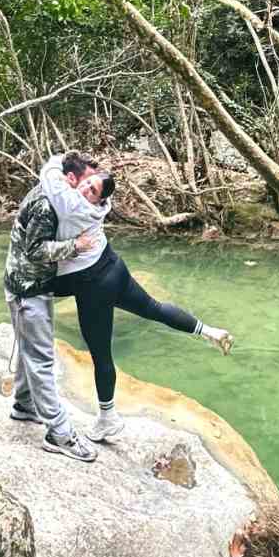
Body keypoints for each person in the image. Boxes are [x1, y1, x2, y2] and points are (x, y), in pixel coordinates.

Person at [40, 153, 233, 443]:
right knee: (153, 308)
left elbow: (48, 176)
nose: (85, 189)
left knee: (100, 353)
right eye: (86, 183)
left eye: (92, 189)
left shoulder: (75, 206)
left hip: (94, 283)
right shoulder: (103, 205)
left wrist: (61, 159)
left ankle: (108, 419)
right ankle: (209, 331)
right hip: (112, 266)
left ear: (95, 200)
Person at [2, 150, 103, 463]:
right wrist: (76, 246)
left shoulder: (58, 194)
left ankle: (24, 405)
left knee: (30, 351)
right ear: (70, 179)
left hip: (31, 285)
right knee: (42, 359)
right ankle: (58, 433)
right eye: (87, 185)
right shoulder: (48, 204)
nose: (89, 193)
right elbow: (34, 250)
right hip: (27, 289)